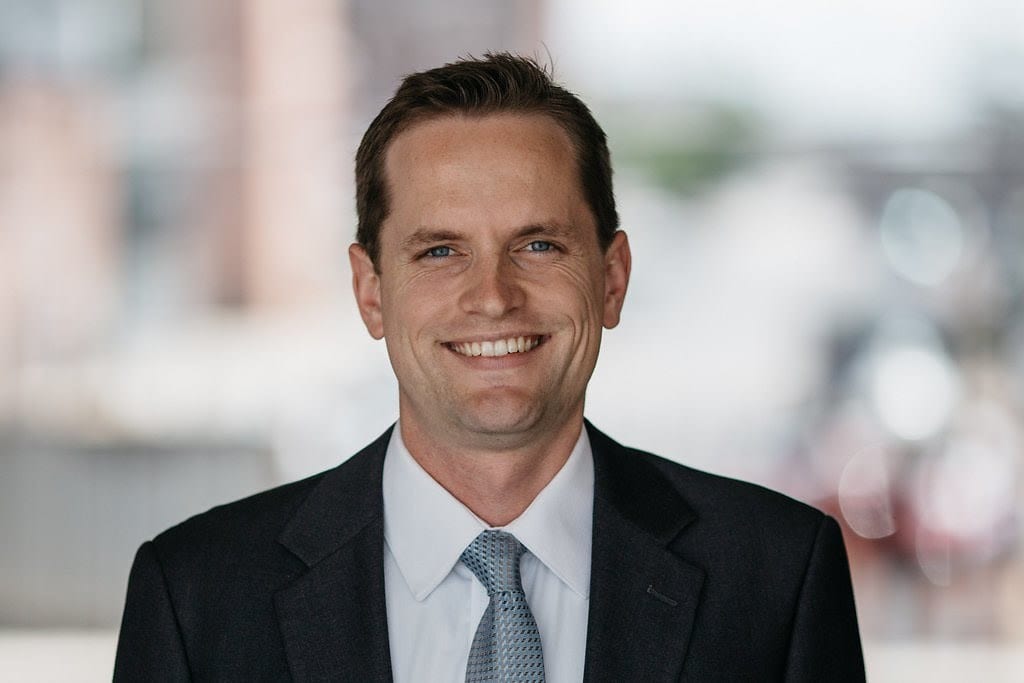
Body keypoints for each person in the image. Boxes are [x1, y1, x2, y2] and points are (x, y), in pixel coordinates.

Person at [114, 53, 865, 682]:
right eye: (441, 251)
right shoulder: (196, 598)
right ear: (370, 293)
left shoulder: (776, 579)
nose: (494, 297)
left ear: (612, 278)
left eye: (539, 244)